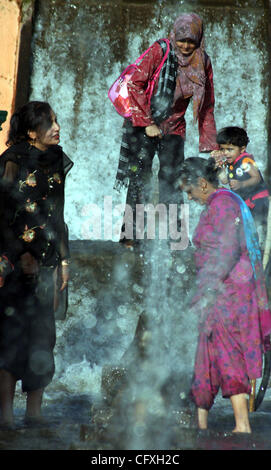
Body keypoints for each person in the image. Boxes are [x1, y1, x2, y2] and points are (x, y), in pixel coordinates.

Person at [179, 157, 271, 433]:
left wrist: (207, 289)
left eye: (190, 191)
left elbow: (227, 251)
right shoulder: (218, 203)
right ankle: (201, 424)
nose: (189, 197)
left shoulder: (223, 204)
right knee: (205, 354)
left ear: (203, 184)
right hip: (216, 291)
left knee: (229, 353)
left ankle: (242, 426)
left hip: (230, 293)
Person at [114, 13, 218, 247]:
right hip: (143, 124)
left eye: (191, 41)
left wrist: (211, 146)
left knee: (172, 180)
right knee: (139, 177)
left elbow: (206, 106)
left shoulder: (203, 62)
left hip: (174, 127)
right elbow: (134, 83)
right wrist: (147, 123)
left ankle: (176, 238)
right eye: (182, 40)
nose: (186, 45)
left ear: (199, 39)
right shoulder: (159, 50)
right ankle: (130, 236)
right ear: (174, 35)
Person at [0, 101, 73, 428]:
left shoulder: (56, 159)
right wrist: (19, 254)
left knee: (43, 336)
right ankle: (4, 415)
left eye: (56, 122)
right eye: (49, 124)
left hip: (46, 260)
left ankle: (34, 413)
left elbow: (57, 214)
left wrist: (64, 259)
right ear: (31, 133)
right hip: (13, 263)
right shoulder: (12, 162)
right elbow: (1, 215)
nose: (56, 128)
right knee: (11, 336)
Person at [211, 126, 269, 246]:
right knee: (244, 227)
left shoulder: (245, 161)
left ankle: (254, 248)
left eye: (230, 149)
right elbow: (225, 181)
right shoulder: (230, 163)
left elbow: (256, 178)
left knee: (251, 226)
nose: (225, 153)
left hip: (258, 201)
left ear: (242, 149)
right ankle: (251, 248)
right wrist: (219, 169)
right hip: (247, 202)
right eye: (223, 149)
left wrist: (241, 184)